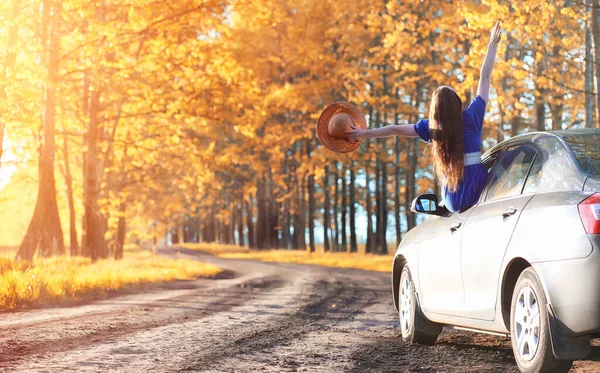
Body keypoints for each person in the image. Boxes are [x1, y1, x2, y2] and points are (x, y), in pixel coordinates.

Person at [346, 21, 502, 213]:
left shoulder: (433, 128)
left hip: (453, 198)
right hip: (478, 190)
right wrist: (492, 44)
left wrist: (363, 133)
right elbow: (484, 76)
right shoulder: (472, 117)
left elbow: (395, 129)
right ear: (456, 102)